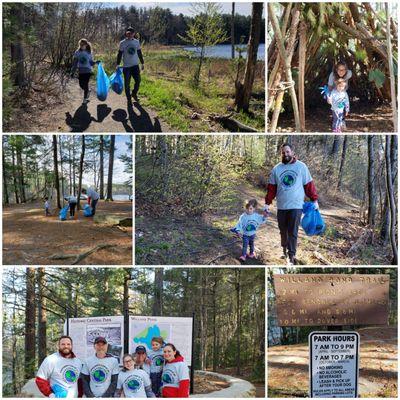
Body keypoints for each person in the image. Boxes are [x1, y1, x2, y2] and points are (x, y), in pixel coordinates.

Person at [265, 143, 319, 265]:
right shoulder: (276, 169)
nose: (286, 154)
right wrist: (267, 203)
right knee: (282, 231)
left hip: (296, 206)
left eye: (288, 152)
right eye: (283, 152)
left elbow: (309, 185)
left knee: (292, 231)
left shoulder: (301, 167)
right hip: (282, 206)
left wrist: (314, 199)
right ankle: (284, 248)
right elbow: (271, 188)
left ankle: (291, 255)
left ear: (293, 153)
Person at [116, 27, 145, 103]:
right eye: (128, 33)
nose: (129, 35)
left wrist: (142, 63)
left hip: (135, 65)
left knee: (138, 81)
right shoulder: (122, 43)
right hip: (126, 67)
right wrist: (117, 64)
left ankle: (134, 94)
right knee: (127, 84)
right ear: (126, 33)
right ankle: (129, 98)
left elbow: (139, 52)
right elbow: (119, 54)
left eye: (131, 33)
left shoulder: (136, 42)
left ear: (133, 34)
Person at [70, 39, 100, 104]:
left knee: (85, 84)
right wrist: (72, 72)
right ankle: (88, 91)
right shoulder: (77, 52)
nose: (81, 46)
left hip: (88, 70)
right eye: (80, 45)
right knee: (81, 85)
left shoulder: (89, 52)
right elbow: (75, 63)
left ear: (86, 45)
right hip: (81, 70)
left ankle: (84, 99)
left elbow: (91, 63)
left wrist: (96, 62)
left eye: (83, 45)